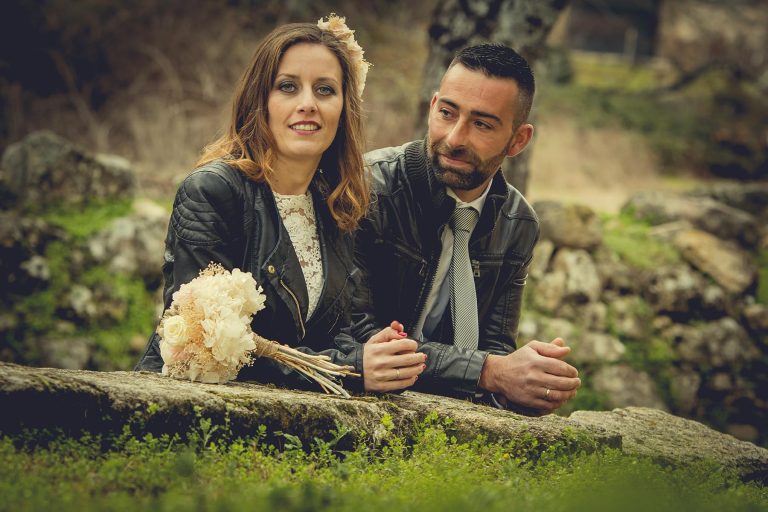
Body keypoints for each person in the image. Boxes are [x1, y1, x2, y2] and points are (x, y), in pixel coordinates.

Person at [135, 16, 422, 388]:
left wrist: (377, 349)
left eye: (325, 90)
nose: (308, 104)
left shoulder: (338, 205)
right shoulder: (213, 192)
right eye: (288, 87)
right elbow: (204, 345)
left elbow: (341, 329)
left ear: (343, 109)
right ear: (260, 101)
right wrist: (347, 369)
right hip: (191, 412)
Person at [336, 44, 580, 414]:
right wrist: (490, 372)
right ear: (433, 106)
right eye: (448, 113)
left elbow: (495, 346)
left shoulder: (518, 222)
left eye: (482, 124)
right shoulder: (368, 189)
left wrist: (527, 383)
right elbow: (359, 337)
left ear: (518, 140)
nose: (454, 138)